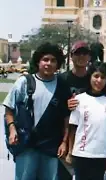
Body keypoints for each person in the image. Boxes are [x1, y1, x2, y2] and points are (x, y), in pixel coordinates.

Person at [3, 42, 70, 180]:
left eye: (53, 60)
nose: (48, 63)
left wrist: (64, 142)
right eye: (45, 59)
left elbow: (66, 118)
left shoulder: (62, 86)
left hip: (51, 146)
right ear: (38, 61)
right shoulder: (25, 82)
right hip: (27, 145)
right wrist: (12, 129)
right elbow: (9, 108)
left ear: (58, 64)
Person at [66, 61, 106, 180]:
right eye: (96, 76)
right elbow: (73, 128)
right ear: (90, 77)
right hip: (81, 154)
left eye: (103, 77)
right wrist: (70, 152)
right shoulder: (79, 99)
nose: (99, 80)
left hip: (102, 155)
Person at [58, 40, 91, 180]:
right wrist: (65, 105)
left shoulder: (93, 80)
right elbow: (54, 107)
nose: (81, 56)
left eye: (85, 53)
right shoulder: (62, 79)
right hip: (64, 136)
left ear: (89, 57)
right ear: (71, 56)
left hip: (87, 137)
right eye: (77, 53)